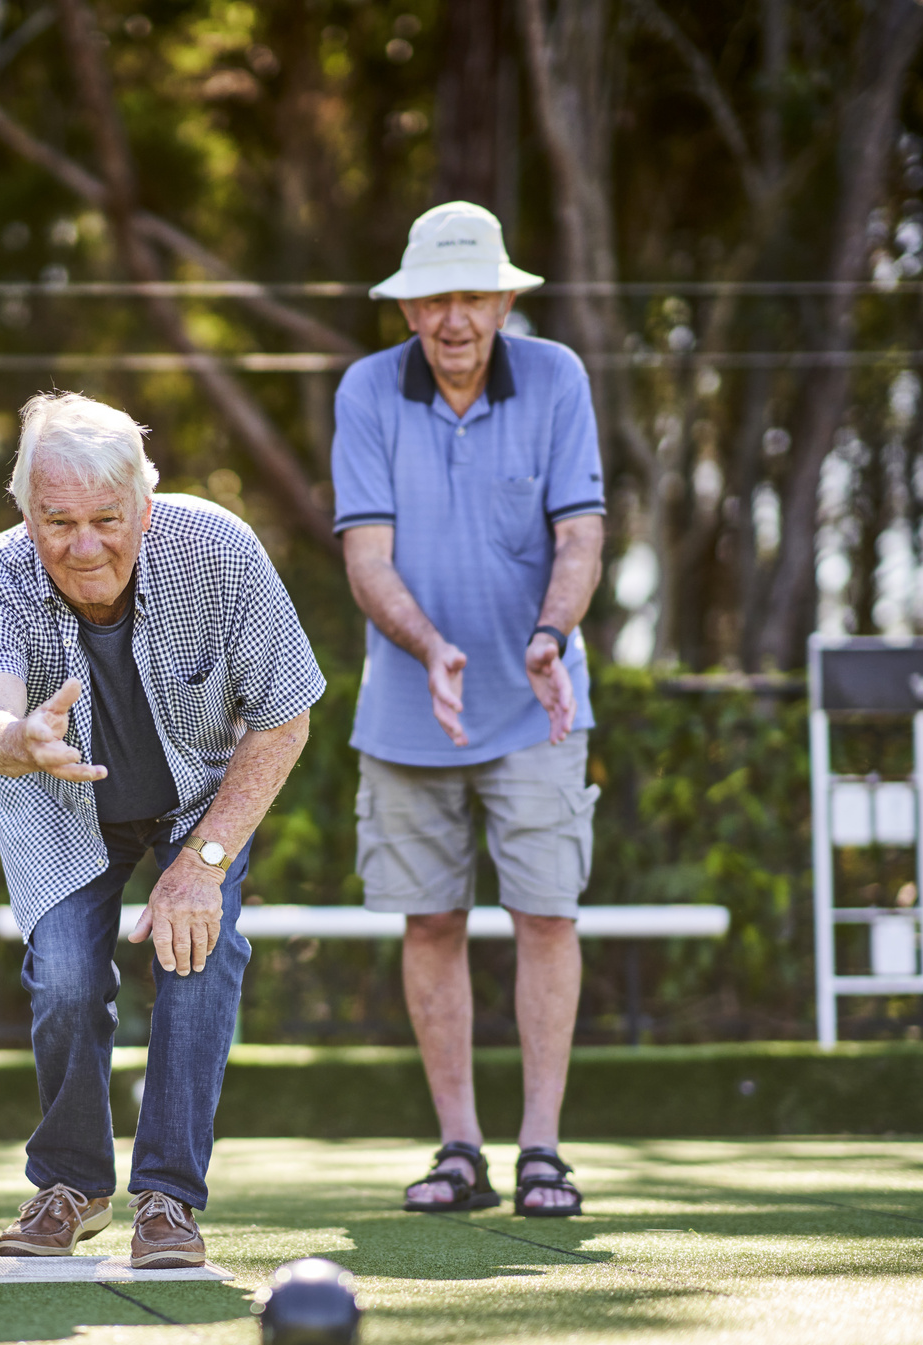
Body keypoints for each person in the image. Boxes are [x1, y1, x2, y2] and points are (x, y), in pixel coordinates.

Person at [0, 392, 324, 1267]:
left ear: (145, 508)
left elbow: (285, 718)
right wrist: (19, 739)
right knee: (69, 975)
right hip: (62, 798)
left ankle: (168, 1198)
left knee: (200, 948)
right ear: (27, 513)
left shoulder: (221, 553)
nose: (83, 546)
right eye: (58, 521)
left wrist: (202, 864)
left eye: (106, 520)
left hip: (198, 801)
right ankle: (72, 1186)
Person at [331, 201, 607, 1219]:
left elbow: (580, 535)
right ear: (407, 311)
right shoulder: (365, 392)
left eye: (474, 296)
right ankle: (460, 1148)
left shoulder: (557, 378)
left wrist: (549, 635)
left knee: (546, 913)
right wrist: (433, 646)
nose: (456, 319)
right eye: (436, 298)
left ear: (504, 301)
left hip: (540, 702)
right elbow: (368, 558)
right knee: (432, 920)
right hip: (411, 706)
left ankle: (543, 1150)